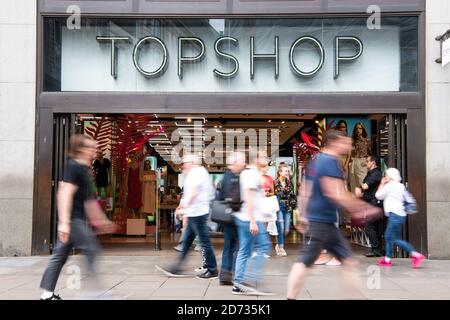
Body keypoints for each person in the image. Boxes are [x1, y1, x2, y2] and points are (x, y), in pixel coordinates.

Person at [286, 129, 382, 300]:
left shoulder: (315, 161)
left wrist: (302, 214)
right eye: (345, 142)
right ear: (335, 142)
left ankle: (356, 296)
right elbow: (335, 193)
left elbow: (305, 190)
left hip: (322, 222)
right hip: (322, 223)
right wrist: (361, 208)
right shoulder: (330, 162)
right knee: (305, 262)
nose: (349, 146)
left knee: (347, 261)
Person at [39, 134, 115, 300]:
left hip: (75, 219)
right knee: (92, 249)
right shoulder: (73, 166)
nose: (95, 151)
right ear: (81, 150)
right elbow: (64, 193)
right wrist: (64, 223)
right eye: (92, 148)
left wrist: (100, 220)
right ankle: (93, 292)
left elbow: (87, 200)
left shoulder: (83, 169)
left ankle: (46, 294)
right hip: (73, 220)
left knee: (59, 256)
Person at [156, 154, 218, 279]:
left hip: (198, 213)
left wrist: (184, 207)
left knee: (204, 242)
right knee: (187, 243)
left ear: (191, 162)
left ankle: (212, 270)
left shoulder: (197, 173)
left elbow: (194, 192)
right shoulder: (196, 172)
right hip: (195, 212)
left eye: (185, 163)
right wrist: (182, 206)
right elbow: (190, 192)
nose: (183, 165)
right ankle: (176, 268)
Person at [232, 151, 273, 296]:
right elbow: (249, 198)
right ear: (256, 159)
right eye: (263, 156)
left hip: (247, 218)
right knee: (263, 246)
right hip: (250, 219)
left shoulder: (251, 173)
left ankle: (239, 283)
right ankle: (248, 281)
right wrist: (253, 221)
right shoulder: (251, 174)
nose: (266, 158)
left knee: (244, 250)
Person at [375, 168, 425, 268]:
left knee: (390, 237)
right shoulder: (401, 186)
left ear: (391, 176)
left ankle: (416, 255)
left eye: (386, 175)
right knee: (393, 238)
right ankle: (387, 259)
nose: (385, 177)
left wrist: (381, 183)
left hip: (394, 215)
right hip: (400, 215)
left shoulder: (389, 186)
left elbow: (378, 196)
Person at [217, 151, 246, 286]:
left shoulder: (226, 176)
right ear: (235, 162)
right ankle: (233, 273)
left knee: (229, 245)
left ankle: (225, 274)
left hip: (226, 215)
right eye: (241, 161)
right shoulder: (233, 176)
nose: (243, 164)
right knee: (237, 246)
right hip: (234, 216)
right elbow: (233, 198)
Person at [355, 155, 383, 257]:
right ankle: (377, 249)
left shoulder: (376, 174)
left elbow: (365, 185)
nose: (366, 163)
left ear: (373, 163)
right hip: (370, 203)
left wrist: (359, 188)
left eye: (367, 161)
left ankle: (376, 249)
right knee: (373, 226)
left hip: (374, 204)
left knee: (369, 226)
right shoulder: (371, 173)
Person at [273, 164, 297, 257]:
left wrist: (295, 208)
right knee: (281, 227)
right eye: (285, 171)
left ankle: (278, 245)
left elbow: (293, 196)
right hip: (278, 207)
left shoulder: (289, 183)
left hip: (287, 207)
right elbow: (273, 195)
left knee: (286, 230)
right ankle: (281, 247)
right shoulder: (274, 182)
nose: (287, 172)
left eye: (288, 171)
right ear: (280, 172)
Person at [349, 122, 371, 192]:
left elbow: (370, 154)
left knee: (362, 183)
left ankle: (364, 201)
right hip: (353, 163)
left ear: (363, 129)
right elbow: (349, 154)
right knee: (353, 185)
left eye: (360, 128)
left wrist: (366, 162)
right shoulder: (352, 141)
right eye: (357, 128)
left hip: (362, 163)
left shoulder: (367, 141)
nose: (358, 130)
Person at [126, 152, 142, 218]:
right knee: (131, 198)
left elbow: (140, 175)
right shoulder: (129, 165)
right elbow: (127, 176)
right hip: (131, 183)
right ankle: (133, 214)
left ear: (135, 157)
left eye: (133, 157)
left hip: (137, 183)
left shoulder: (138, 164)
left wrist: (141, 183)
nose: (133, 158)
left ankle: (138, 214)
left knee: (137, 197)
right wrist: (126, 185)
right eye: (131, 157)